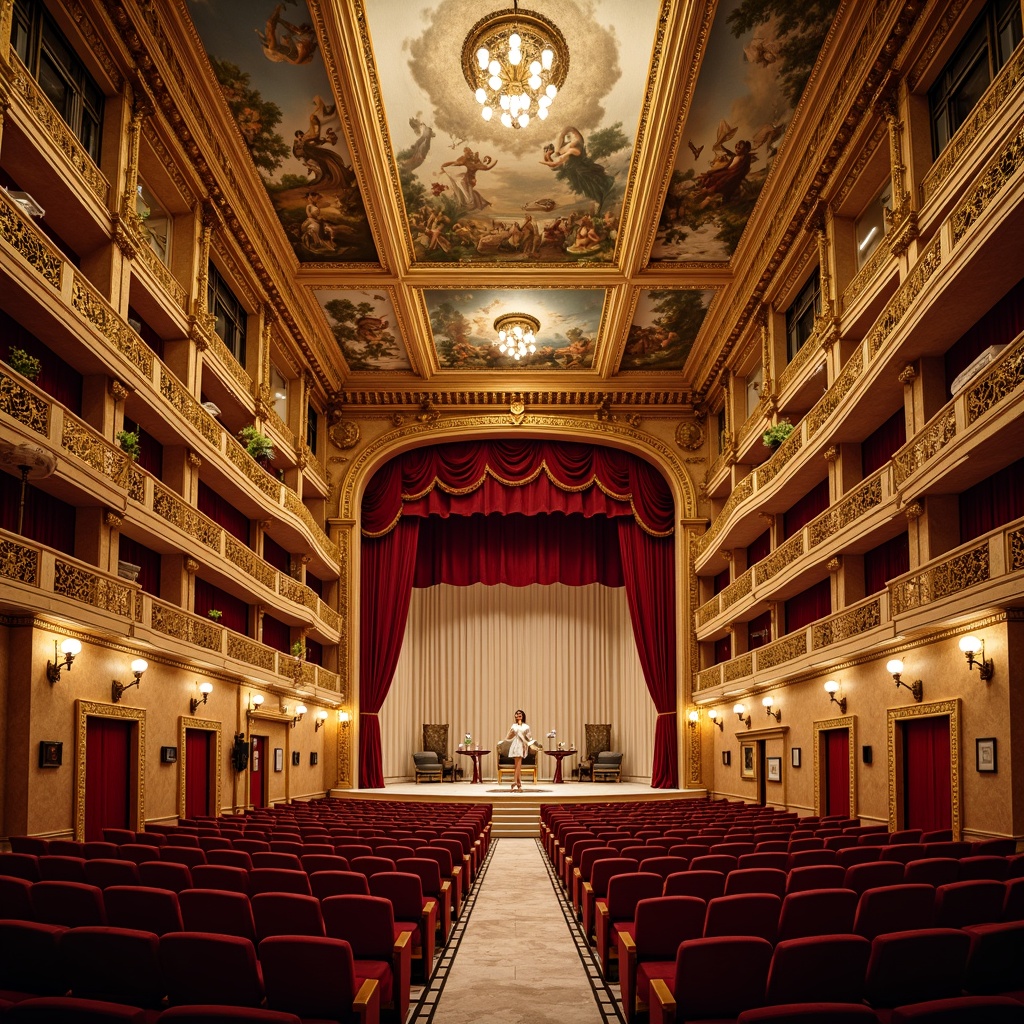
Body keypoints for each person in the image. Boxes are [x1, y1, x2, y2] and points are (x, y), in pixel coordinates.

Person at [505, 709, 533, 793]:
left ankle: (516, 783)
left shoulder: (526, 726)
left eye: (520, 713)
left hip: (522, 745)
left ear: (523, 715)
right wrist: (511, 732)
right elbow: (508, 737)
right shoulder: (514, 726)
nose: (518, 714)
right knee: (517, 765)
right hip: (516, 745)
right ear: (515, 716)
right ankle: (517, 783)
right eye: (517, 714)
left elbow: (529, 738)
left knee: (518, 766)